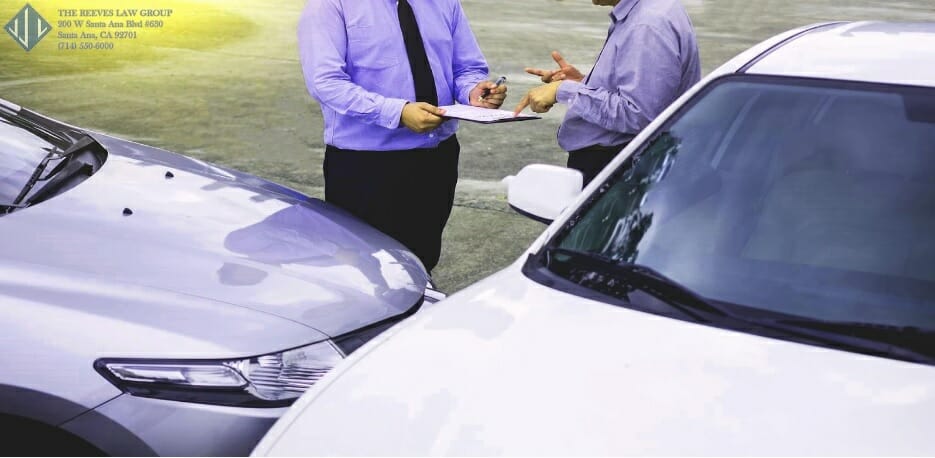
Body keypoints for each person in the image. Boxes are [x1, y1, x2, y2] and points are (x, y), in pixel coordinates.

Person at [297, 0, 507, 274]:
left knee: (420, 262)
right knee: (360, 270)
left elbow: (465, 68)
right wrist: (398, 112)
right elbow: (325, 81)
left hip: (436, 159)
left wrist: (473, 93)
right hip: (366, 166)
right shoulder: (331, 5)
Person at [514, 0, 701, 185]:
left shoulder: (646, 25)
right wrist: (584, 83)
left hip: (623, 170)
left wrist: (565, 90)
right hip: (626, 163)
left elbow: (639, 114)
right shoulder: (649, 11)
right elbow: (643, 91)